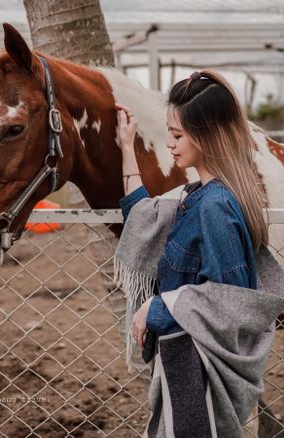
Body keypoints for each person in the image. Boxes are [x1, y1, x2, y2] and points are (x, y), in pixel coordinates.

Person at [115, 69, 269, 436]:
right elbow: (142, 217)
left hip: (200, 376)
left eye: (178, 134)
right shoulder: (197, 195)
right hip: (186, 365)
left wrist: (160, 307)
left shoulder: (214, 207)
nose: (169, 143)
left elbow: (231, 302)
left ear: (208, 134)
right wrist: (127, 146)